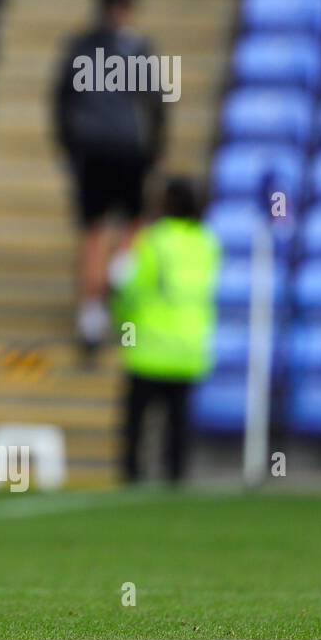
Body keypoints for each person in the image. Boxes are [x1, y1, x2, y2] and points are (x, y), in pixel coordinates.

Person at [53, 0, 166, 361]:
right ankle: (109, 288)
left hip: (107, 151)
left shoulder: (84, 47)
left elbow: (61, 102)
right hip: (116, 150)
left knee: (107, 227)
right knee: (110, 227)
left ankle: (99, 302)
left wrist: (70, 147)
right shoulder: (130, 48)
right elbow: (157, 102)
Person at [109, 177, 220, 484]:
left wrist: (121, 317)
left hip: (151, 347)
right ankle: (175, 476)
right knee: (178, 422)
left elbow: (132, 288)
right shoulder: (207, 242)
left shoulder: (154, 240)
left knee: (136, 420)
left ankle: (132, 473)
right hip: (189, 348)